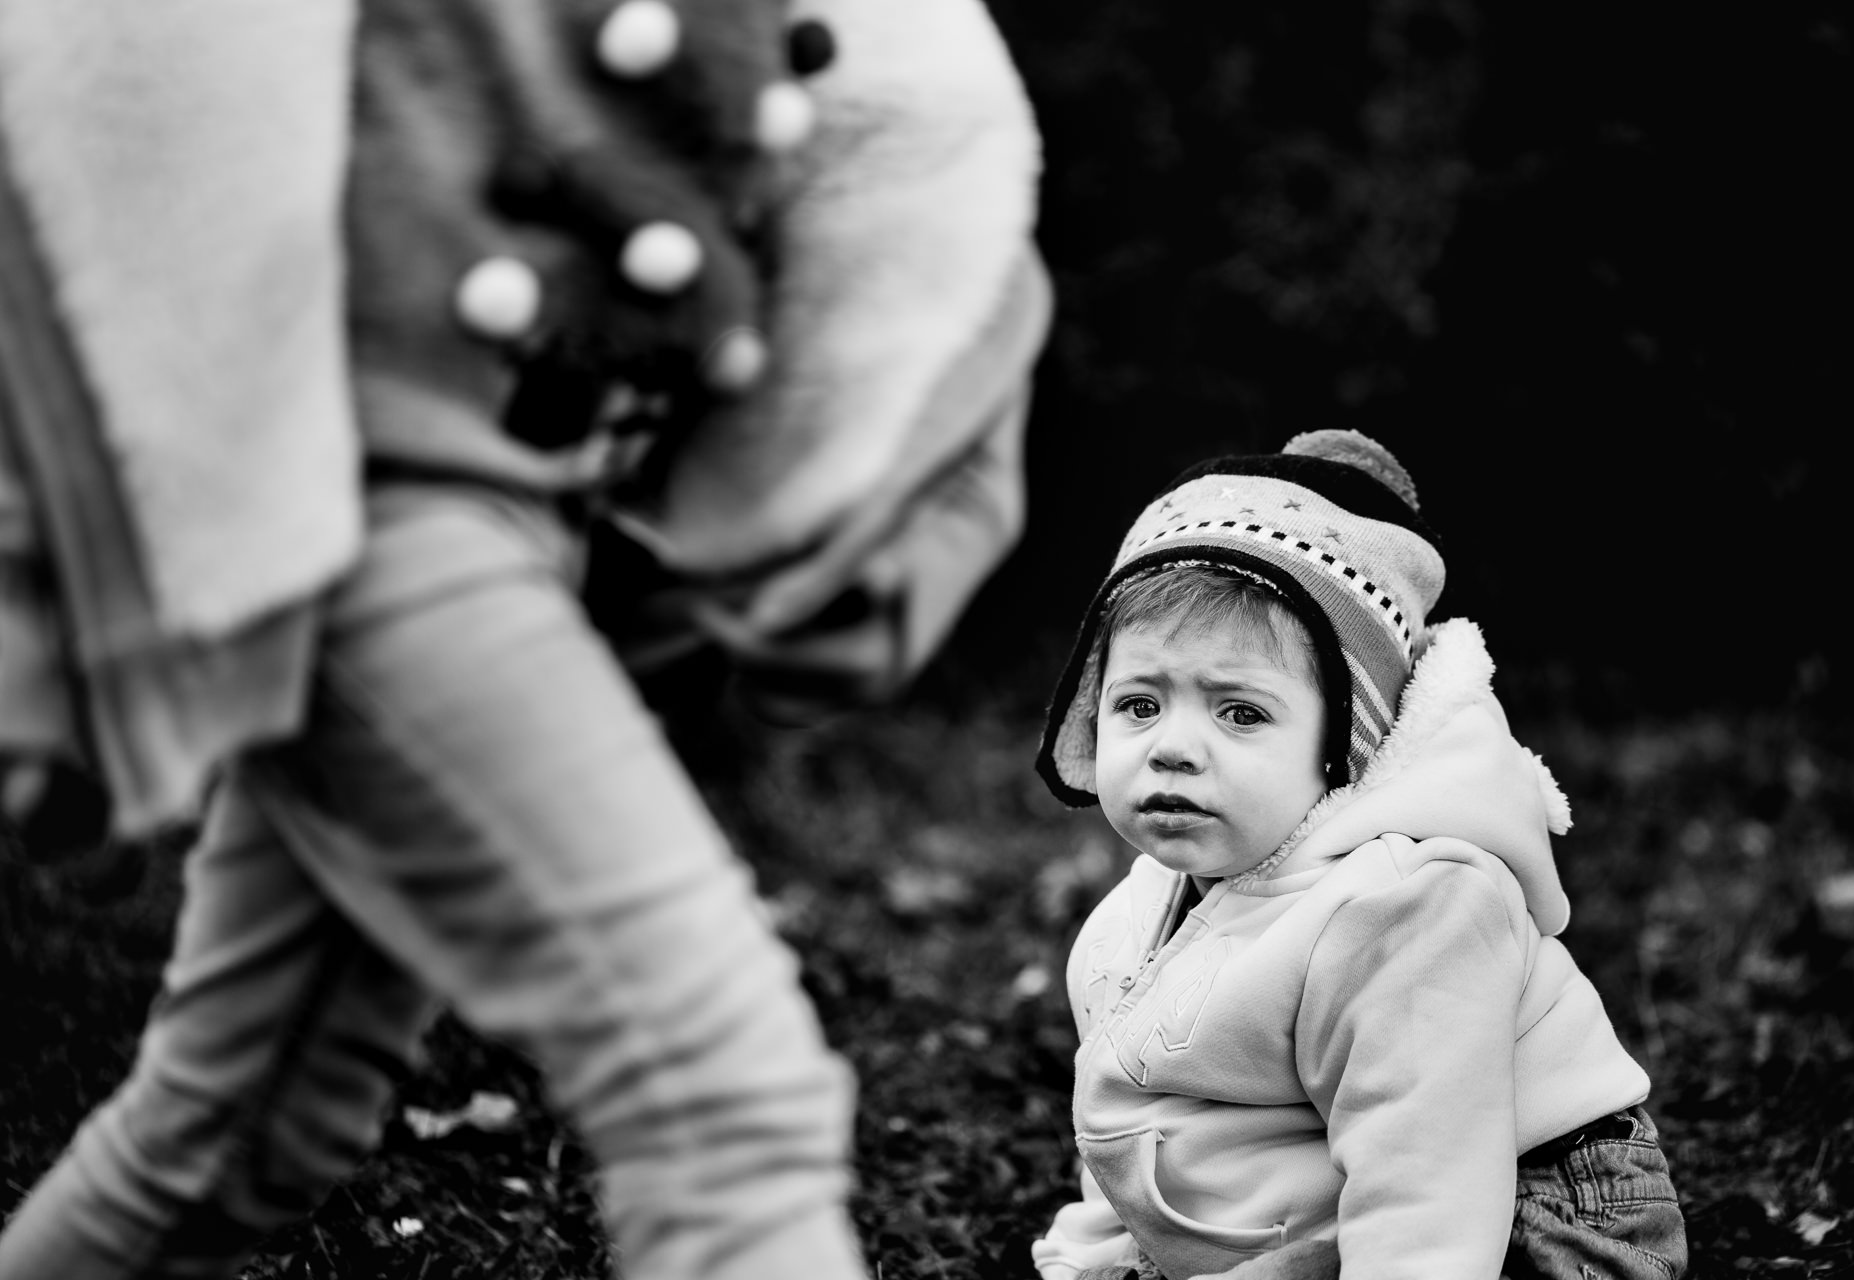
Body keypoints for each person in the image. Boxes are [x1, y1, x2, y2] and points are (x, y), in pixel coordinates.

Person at [0, 1, 1045, 1277]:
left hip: (529, 511)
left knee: (240, 1132)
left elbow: (885, 104)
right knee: (724, 1100)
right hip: (356, 511)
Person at [1027, 431, 1686, 1280]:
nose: (1173, 748)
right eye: (1140, 704)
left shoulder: (1407, 903)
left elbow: (1424, 1178)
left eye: (1241, 714)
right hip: (1321, 1209)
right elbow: (1129, 1120)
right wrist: (1092, 1263)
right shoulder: (1130, 923)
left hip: (1523, 1205)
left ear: (1347, 745)